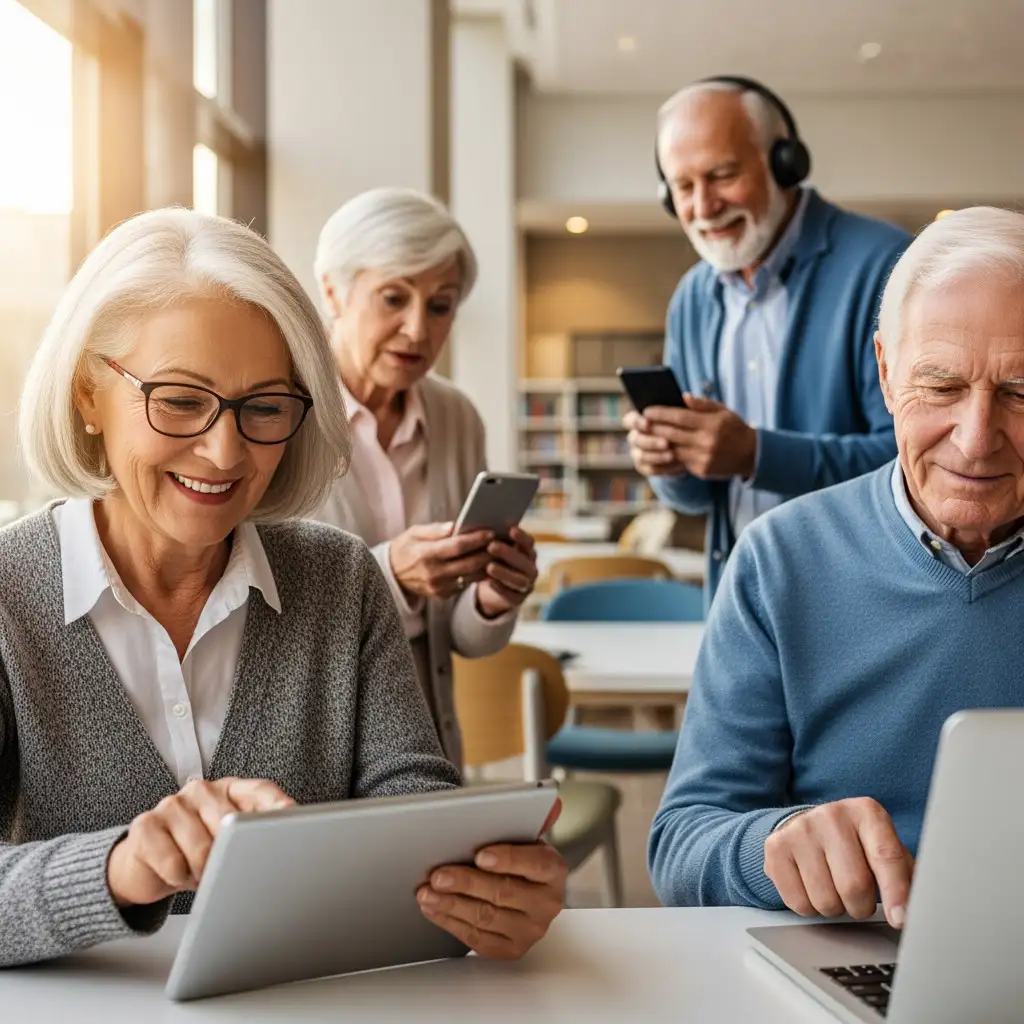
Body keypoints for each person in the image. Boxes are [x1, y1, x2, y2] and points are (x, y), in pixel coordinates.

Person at [0, 208, 564, 968]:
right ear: (87, 396)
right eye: (178, 399)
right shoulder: (9, 596)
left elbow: (413, 802)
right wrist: (120, 867)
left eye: (264, 407)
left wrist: (482, 890)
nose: (225, 450)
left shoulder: (340, 577)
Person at [648, 207, 1024, 930]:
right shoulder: (778, 560)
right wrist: (774, 846)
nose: (977, 442)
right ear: (885, 375)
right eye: (941, 387)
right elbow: (681, 844)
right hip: (845, 957)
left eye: (1020, 392)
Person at [627, 76, 910, 605]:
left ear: (785, 163)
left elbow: (920, 458)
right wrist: (669, 462)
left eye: (722, 175)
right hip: (738, 603)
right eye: (683, 187)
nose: (704, 206)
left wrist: (757, 454)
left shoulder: (889, 267)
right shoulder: (691, 298)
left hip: (865, 601)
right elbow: (694, 499)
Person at [309, 187, 538, 766]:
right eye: (393, 298)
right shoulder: (283, 413)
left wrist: (493, 596)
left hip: (426, 739)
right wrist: (390, 572)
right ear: (334, 290)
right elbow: (255, 606)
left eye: (440, 306)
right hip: (312, 740)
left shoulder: (456, 418)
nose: (417, 329)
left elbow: (459, 636)